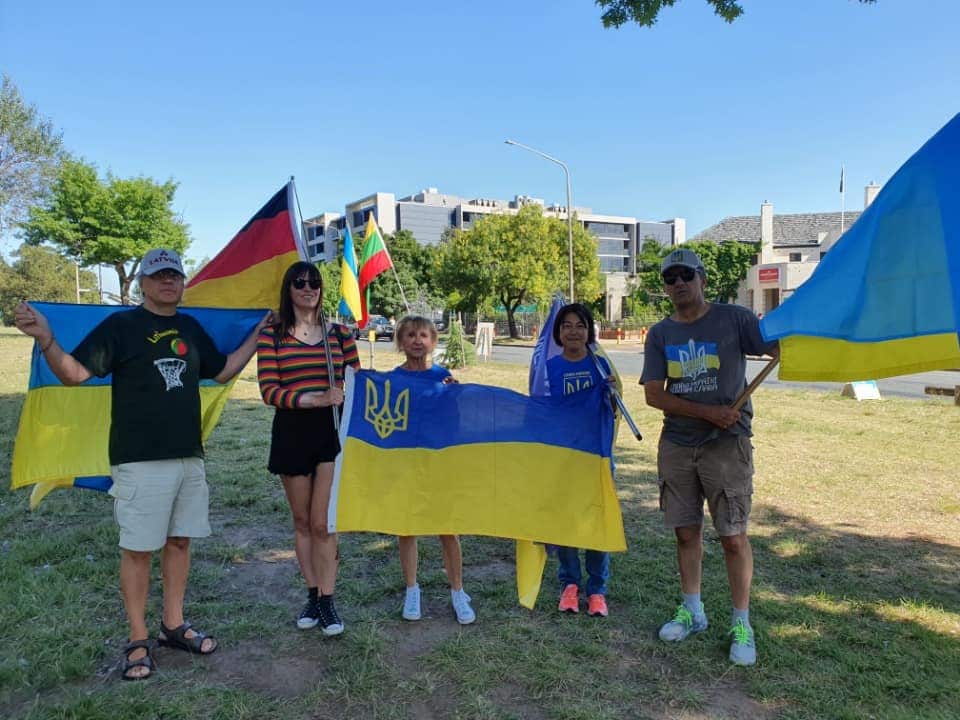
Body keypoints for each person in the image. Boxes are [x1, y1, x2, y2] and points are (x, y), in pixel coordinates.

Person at [13, 248, 270, 681]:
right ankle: (137, 638)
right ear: (143, 284)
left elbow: (222, 371)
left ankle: (173, 625)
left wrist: (259, 334)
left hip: (188, 455)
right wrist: (46, 339)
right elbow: (75, 374)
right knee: (137, 550)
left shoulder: (190, 327)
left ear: (182, 282)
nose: (168, 281)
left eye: (175, 274)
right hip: (138, 458)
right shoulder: (121, 326)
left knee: (180, 542)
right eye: (159, 275)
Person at [640, 249, 778, 667]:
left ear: (702, 279)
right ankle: (693, 611)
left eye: (686, 275)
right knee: (685, 532)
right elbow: (653, 394)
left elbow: (775, 347)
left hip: (727, 445)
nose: (678, 283)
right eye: (670, 278)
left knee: (732, 536)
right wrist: (707, 412)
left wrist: (803, 330)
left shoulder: (735, 318)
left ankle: (742, 623)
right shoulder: (661, 334)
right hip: (679, 444)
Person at [257, 261, 360, 636]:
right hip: (292, 431)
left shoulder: (340, 335)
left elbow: (357, 383)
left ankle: (329, 602)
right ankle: (313, 595)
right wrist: (315, 398)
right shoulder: (272, 335)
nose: (307, 287)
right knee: (301, 522)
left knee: (323, 522)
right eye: (299, 282)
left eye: (314, 282)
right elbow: (269, 390)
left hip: (331, 433)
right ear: (288, 289)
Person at [392, 315, 476, 625]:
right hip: (406, 465)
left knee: (448, 528)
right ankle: (412, 589)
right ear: (401, 341)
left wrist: (455, 395)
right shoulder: (392, 380)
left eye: (423, 335)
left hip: (439, 464)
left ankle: (457, 591)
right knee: (407, 527)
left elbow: (455, 422)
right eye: (410, 335)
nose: (417, 340)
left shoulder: (443, 377)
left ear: (433, 341)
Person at [546, 303, 613, 618]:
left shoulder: (601, 366)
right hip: (563, 458)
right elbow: (538, 410)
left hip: (596, 456)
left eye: (580, 325)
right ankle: (570, 584)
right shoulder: (549, 368)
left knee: (597, 522)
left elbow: (615, 412)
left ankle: (597, 590)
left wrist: (612, 393)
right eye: (567, 325)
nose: (573, 331)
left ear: (589, 331)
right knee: (567, 522)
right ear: (558, 333)